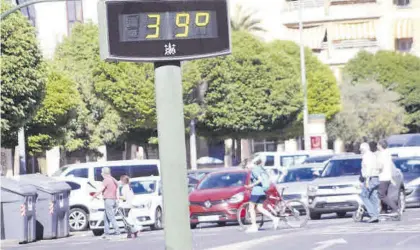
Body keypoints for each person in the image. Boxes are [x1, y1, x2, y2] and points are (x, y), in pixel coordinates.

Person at [244, 157, 279, 233]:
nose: (247, 167)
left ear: (250, 163)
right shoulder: (259, 168)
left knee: (251, 208)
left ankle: (254, 226)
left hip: (257, 191)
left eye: (247, 165)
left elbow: (260, 179)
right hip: (262, 190)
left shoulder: (254, 170)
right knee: (259, 208)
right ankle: (274, 218)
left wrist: (251, 186)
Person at [92, 167, 121, 239]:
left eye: (102, 172)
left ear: (104, 173)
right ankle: (106, 232)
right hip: (113, 199)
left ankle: (117, 231)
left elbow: (101, 189)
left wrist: (94, 195)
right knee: (106, 217)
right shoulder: (112, 179)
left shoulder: (106, 180)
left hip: (108, 200)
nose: (101, 173)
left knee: (110, 216)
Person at [376, 140, 399, 216]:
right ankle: (384, 210)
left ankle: (395, 208)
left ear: (380, 146)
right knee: (385, 194)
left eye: (377, 145)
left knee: (381, 195)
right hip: (387, 177)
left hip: (383, 177)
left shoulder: (381, 154)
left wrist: (374, 168)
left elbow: (380, 166)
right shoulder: (388, 154)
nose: (376, 146)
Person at [359, 143, 381, 223]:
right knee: (373, 197)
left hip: (370, 178)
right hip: (376, 177)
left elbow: (368, 168)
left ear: (364, 149)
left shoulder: (366, 156)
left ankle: (373, 215)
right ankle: (376, 215)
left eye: (360, 149)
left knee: (363, 195)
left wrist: (367, 180)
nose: (360, 150)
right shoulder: (373, 155)